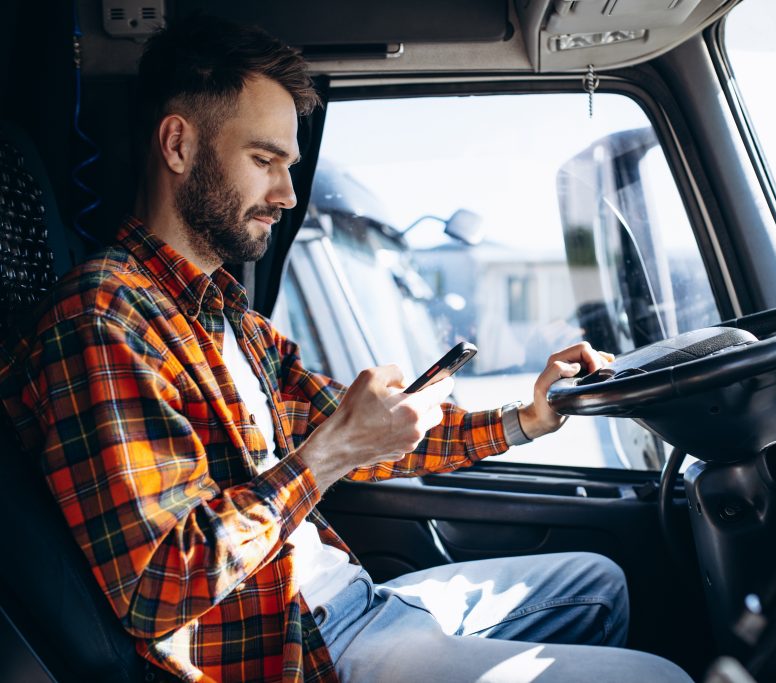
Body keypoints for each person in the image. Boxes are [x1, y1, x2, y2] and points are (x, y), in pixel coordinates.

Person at [0, 15, 691, 683]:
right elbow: (160, 584)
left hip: (349, 603)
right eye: (264, 159)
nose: (287, 192)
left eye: (289, 164)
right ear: (177, 145)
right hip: (302, 650)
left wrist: (527, 418)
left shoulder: (226, 315)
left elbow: (372, 430)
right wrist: (328, 455)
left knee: (599, 583)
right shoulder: (103, 320)